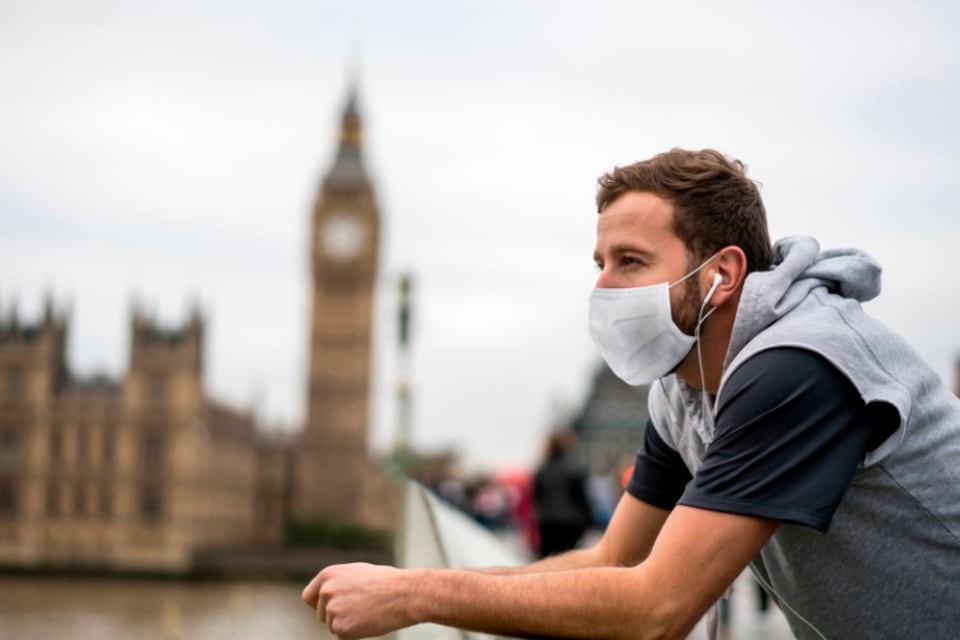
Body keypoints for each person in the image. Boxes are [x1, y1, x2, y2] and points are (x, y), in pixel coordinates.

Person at [303, 148, 960, 639]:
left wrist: (419, 597)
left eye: (632, 262)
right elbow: (616, 561)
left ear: (722, 275)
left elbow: (656, 609)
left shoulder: (800, 366)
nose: (605, 288)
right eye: (602, 264)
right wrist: (415, 587)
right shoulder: (681, 391)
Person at [531, 429, 593, 558]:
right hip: (571, 522)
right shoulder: (574, 468)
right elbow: (581, 498)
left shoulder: (543, 469)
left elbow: (537, 497)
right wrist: (589, 520)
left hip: (547, 521)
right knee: (568, 558)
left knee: (548, 559)